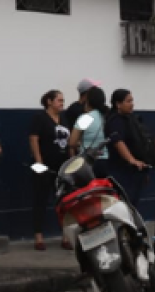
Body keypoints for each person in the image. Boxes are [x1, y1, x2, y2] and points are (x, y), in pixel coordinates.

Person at [29, 90, 71, 250]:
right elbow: (34, 140)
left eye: (63, 100)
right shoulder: (39, 119)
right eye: (59, 100)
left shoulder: (64, 119)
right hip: (44, 165)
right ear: (49, 101)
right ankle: (38, 237)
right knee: (40, 200)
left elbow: (69, 142)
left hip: (61, 166)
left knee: (64, 201)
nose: (62, 103)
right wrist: (40, 163)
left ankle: (66, 236)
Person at [105, 89, 154, 209]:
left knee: (134, 204)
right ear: (118, 104)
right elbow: (118, 142)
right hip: (123, 171)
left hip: (137, 171)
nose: (132, 104)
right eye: (128, 101)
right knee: (126, 204)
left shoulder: (131, 119)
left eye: (132, 101)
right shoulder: (115, 121)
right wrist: (132, 160)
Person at [70, 86, 111, 174]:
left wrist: (79, 143)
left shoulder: (85, 118)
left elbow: (72, 142)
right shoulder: (106, 116)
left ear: (88, 101)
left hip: (87, 161)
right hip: (104, 160)